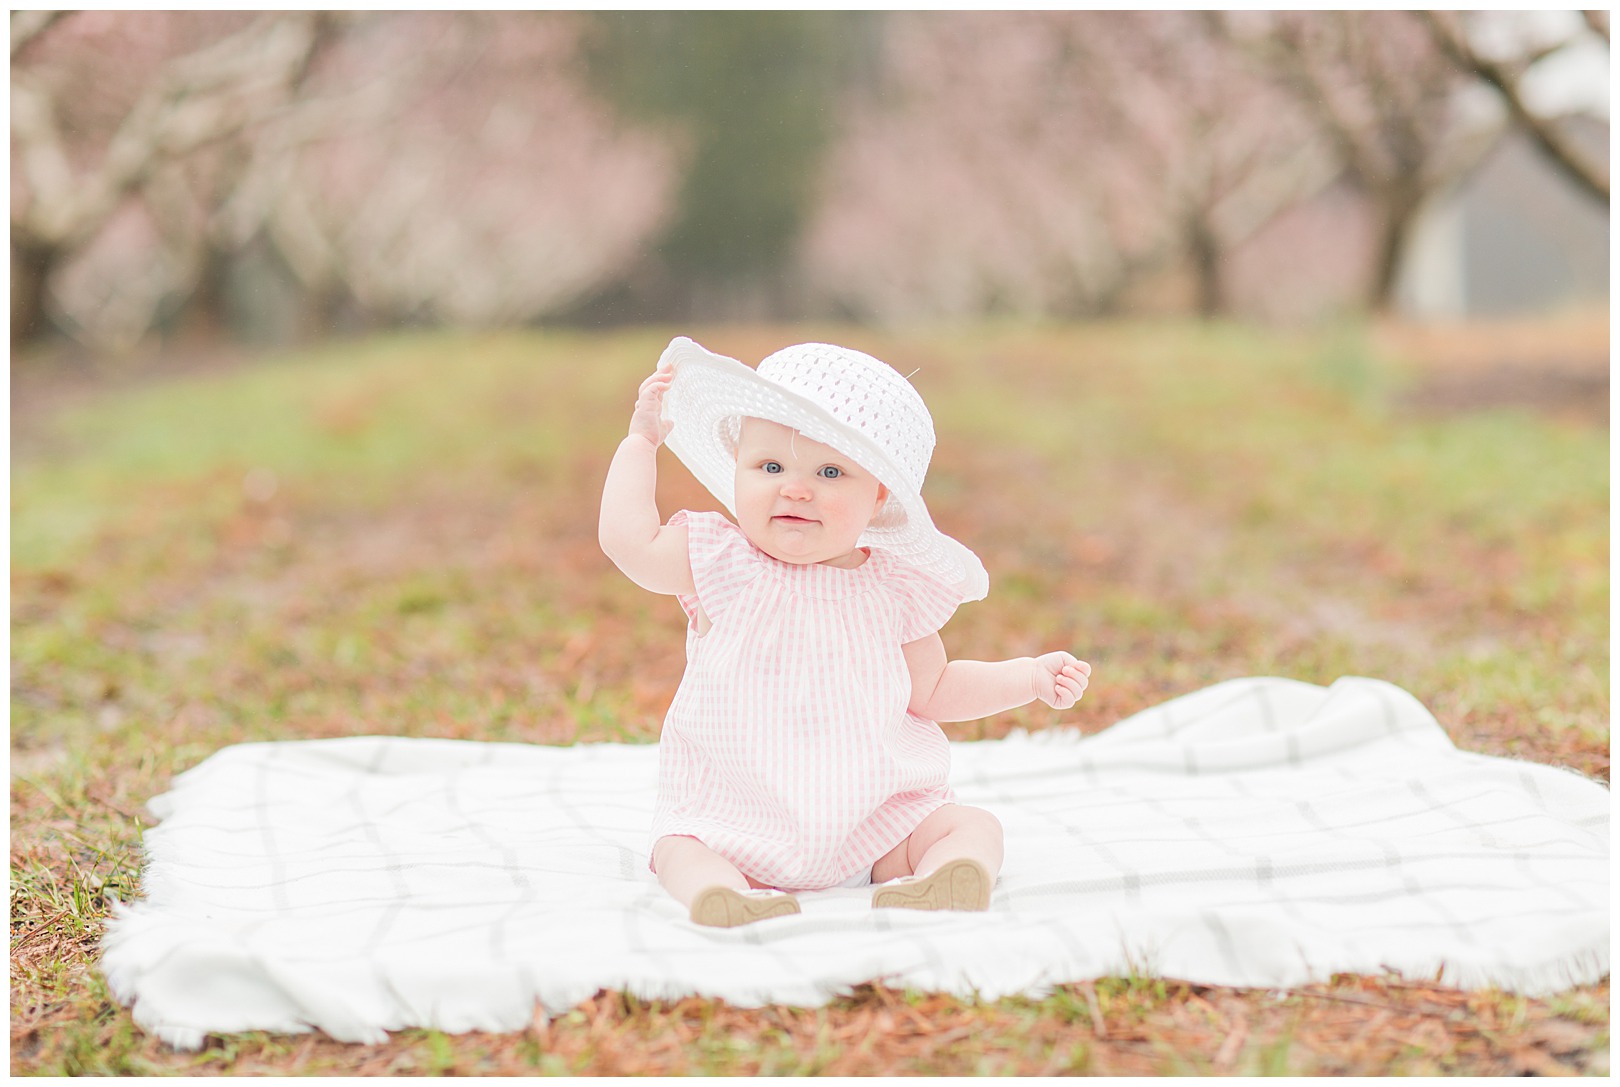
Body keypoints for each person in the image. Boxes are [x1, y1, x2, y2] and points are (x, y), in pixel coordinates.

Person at [598, 337, 1091, 928]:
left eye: (830, 471)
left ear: (879, 498)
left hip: (874, 821)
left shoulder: (895, 586)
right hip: (737, 815)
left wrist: (1027, 676)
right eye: (770, 467)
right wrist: (640, 444)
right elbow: (627, 542)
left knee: (970, 824)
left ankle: (951, 873)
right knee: (680, 846)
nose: (796, 488)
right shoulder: (719, 560)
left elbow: (933, 689)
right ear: (737, 470)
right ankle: (720, 893)